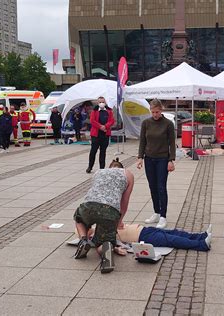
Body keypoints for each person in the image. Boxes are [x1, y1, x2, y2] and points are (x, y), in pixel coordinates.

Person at [73, 158, 134, 274]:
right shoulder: (128, 174)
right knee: (101, 242)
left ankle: (83, 240)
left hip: (88, 206)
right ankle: (106, 248)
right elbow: (124, 202)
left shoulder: (98, 172)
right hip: (110, 211)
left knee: (79, 219)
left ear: (109, 167)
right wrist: (119, 221)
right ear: (122, 168)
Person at [137, 99, 176, 229]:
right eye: (153, 112)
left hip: (162, 159)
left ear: (161, 110)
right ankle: (156, 212)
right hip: (149, 159)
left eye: (157, 112)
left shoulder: (168, 124)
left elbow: (172, 143)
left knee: (161, 187)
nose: (155, 114)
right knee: (152, 186)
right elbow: (142, 141)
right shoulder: (146, 123)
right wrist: (140, 157)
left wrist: (171, 160)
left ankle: (163, 216)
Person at [116, 223, 212, 251]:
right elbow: (105, 247)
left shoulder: (107, 222)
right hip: (143, 237)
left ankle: (202, 236)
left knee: (175, 232)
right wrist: (117, 249)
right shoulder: (105, 234)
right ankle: (202, 245)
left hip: (145, 229)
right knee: (172, 239)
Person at [86, 97, 115, 173]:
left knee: (103, 151)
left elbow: (112, 120)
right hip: (96, 134)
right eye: (100, 102)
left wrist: (105, 126)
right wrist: (100, 127)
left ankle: (102, 168)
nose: (101, 103)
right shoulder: (94, 111)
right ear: (97, 103)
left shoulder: (109, 111)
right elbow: (92, 121)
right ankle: (90, 166)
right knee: (93, 151)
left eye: (103, 102)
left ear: (105, 102)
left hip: (105, 134)